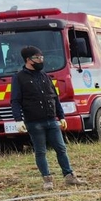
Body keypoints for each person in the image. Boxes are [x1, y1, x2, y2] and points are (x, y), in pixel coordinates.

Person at [10, 46, 85, 190]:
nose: (40, 60)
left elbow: (54, 97)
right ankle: (47, 180)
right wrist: (18, 120)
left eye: (41, 57)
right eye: (37, 58)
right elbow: (15, 100)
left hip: (51, 120)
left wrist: (61, 116)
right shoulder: (19, 78)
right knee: (40, 151)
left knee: (61, 148)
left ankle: (69, 176)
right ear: (28, 60)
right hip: (34, 122)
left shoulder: (45, 76)